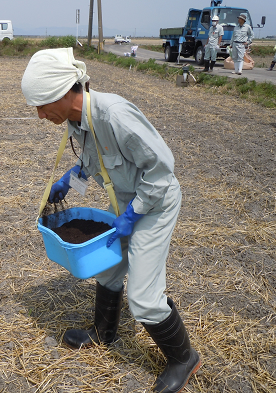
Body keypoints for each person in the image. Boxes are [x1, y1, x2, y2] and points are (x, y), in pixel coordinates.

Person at [21, 48, 201, 393]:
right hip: (126, 205)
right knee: (107, 268)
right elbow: (92, 164)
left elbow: (161, 169)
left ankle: (184, 359)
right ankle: (103, 334)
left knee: (145, 299)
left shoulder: (114, 114)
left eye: (42, 106)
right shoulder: (78, 122)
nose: (41, 116)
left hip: (155, 203)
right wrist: (69, 182)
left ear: (62, 93)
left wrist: (134, 214)